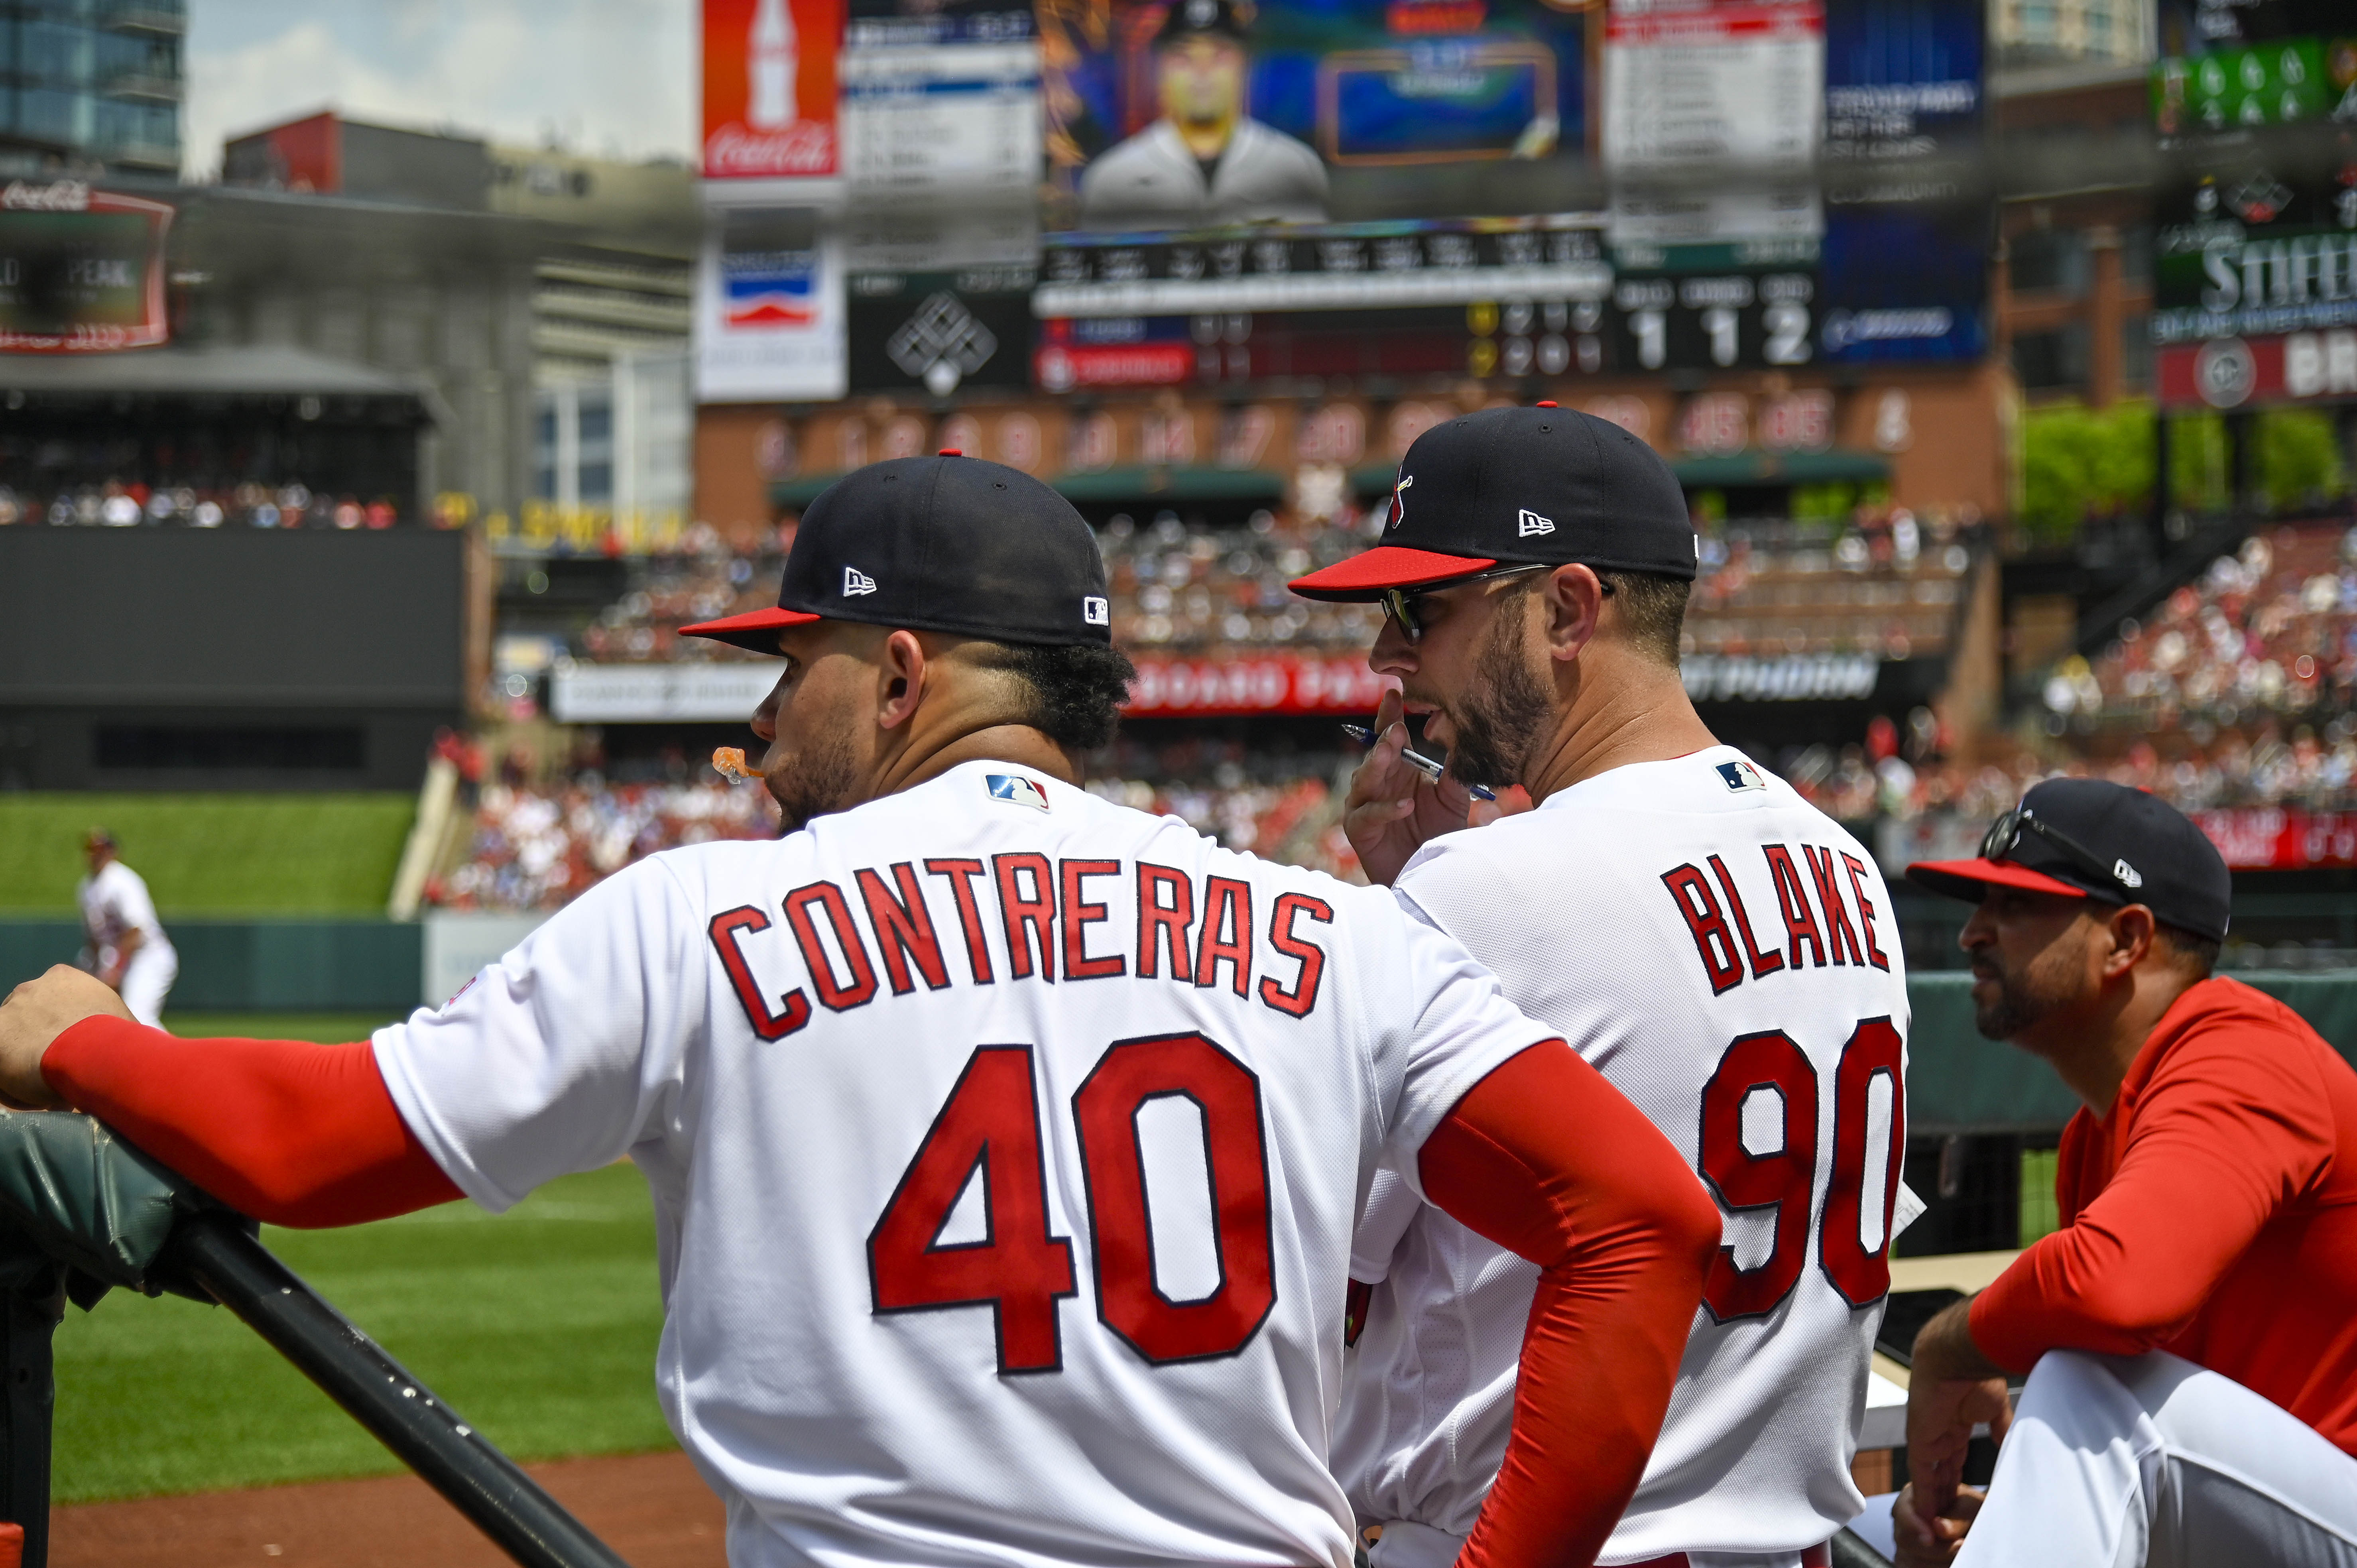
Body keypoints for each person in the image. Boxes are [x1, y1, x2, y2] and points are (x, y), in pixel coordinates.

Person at [0, 454, 1721, 1568]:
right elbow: (1640, 1216)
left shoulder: (709, 911)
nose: (756, 719)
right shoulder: (1324, 930)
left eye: (789, 660)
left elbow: (305, 1145)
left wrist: (80, 1033)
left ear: (901, 675)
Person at [1288, 404, 1915, 1568]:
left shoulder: (1479, 888)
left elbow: (1316, 1285)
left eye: (1420, 612)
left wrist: (1407, 908)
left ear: (1566, 611)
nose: (1384, 659)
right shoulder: (1841, 865)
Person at [1893, 778, 2357, 1566]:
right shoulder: (2093, 1134)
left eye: (2012, 906)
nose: (1973, 933)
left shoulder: (2239, 1047)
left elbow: (2117, 1284)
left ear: (2126, 937)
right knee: (1880, 1523)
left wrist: (1945, 1346)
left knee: (2079, 1384)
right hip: (2265, 1512)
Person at [1077, 0, 1328, 229]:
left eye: (1219, 55)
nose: (1202, 72)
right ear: (1163, 69)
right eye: (1184, 57)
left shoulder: (1294, 168)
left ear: (1244, 64)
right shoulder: (1113, 180)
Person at [75, 828, 176, 1028]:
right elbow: (94, 939)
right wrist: (90, 973)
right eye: (91, 849)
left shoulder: (123, 881)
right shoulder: (86, 887)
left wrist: (115, 970)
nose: (96, 854)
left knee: (139, 1017)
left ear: (113, 851)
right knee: (100, 1016)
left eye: (101, 848)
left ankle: (176, 1058)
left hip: (148, 957)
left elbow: (136, 932)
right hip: (115, 956)